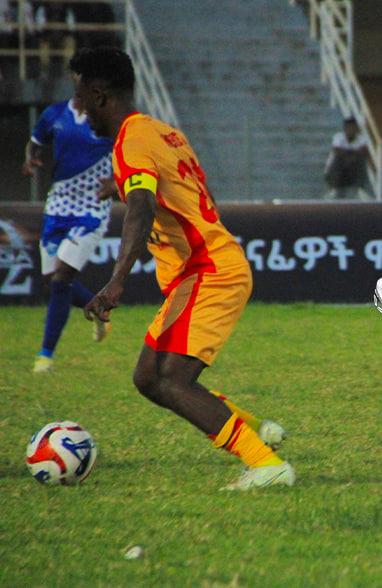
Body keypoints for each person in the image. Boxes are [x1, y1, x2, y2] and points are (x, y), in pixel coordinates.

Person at [70, 46, 294, 491]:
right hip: (201, 269)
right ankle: (258, 431)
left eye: (78, 95)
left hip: (208, 270)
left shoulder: (132, 141)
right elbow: (185, 193)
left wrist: (115, 283)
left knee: (171, 379)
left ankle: (266, 464)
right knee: (148, 379)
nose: (76, 107)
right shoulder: (162, 132)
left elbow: (142, 208)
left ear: (98, 94)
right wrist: (119, 186)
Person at [24, 96, 114, 373]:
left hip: (92, 207)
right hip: (58, 205)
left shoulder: (108, 117)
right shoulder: (55, 113)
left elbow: (132, 153)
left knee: (62, 278)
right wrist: (30, 158)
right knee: (52, 279)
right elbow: (35, 142)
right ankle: (98, 309)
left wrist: (117, 180)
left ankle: (45, 355)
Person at [324, 117, 371, 199]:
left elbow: (364, 152)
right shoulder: (338, 137)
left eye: (353, 128)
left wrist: (346, 152)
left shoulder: (361, 139)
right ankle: (333, 189)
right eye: (348, 128)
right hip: (335, 174)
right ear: (344, 128)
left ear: (357, 129)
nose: (350, 130)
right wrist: (354, 152)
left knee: (361, 160)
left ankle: (360, 190)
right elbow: (337, 152)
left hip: (352, 173)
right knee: (339, 159)